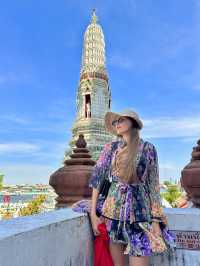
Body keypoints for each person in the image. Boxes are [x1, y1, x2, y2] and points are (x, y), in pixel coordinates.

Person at [72, 109, 176, 266]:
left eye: (120, 120)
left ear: (132, 122)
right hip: (113, 216)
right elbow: (96, 180)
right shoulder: (110, 148)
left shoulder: (148, 149)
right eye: (115, 122)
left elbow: (153, 186)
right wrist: (93, 215)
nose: (117, 124)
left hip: (140, 217)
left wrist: (155, 221)